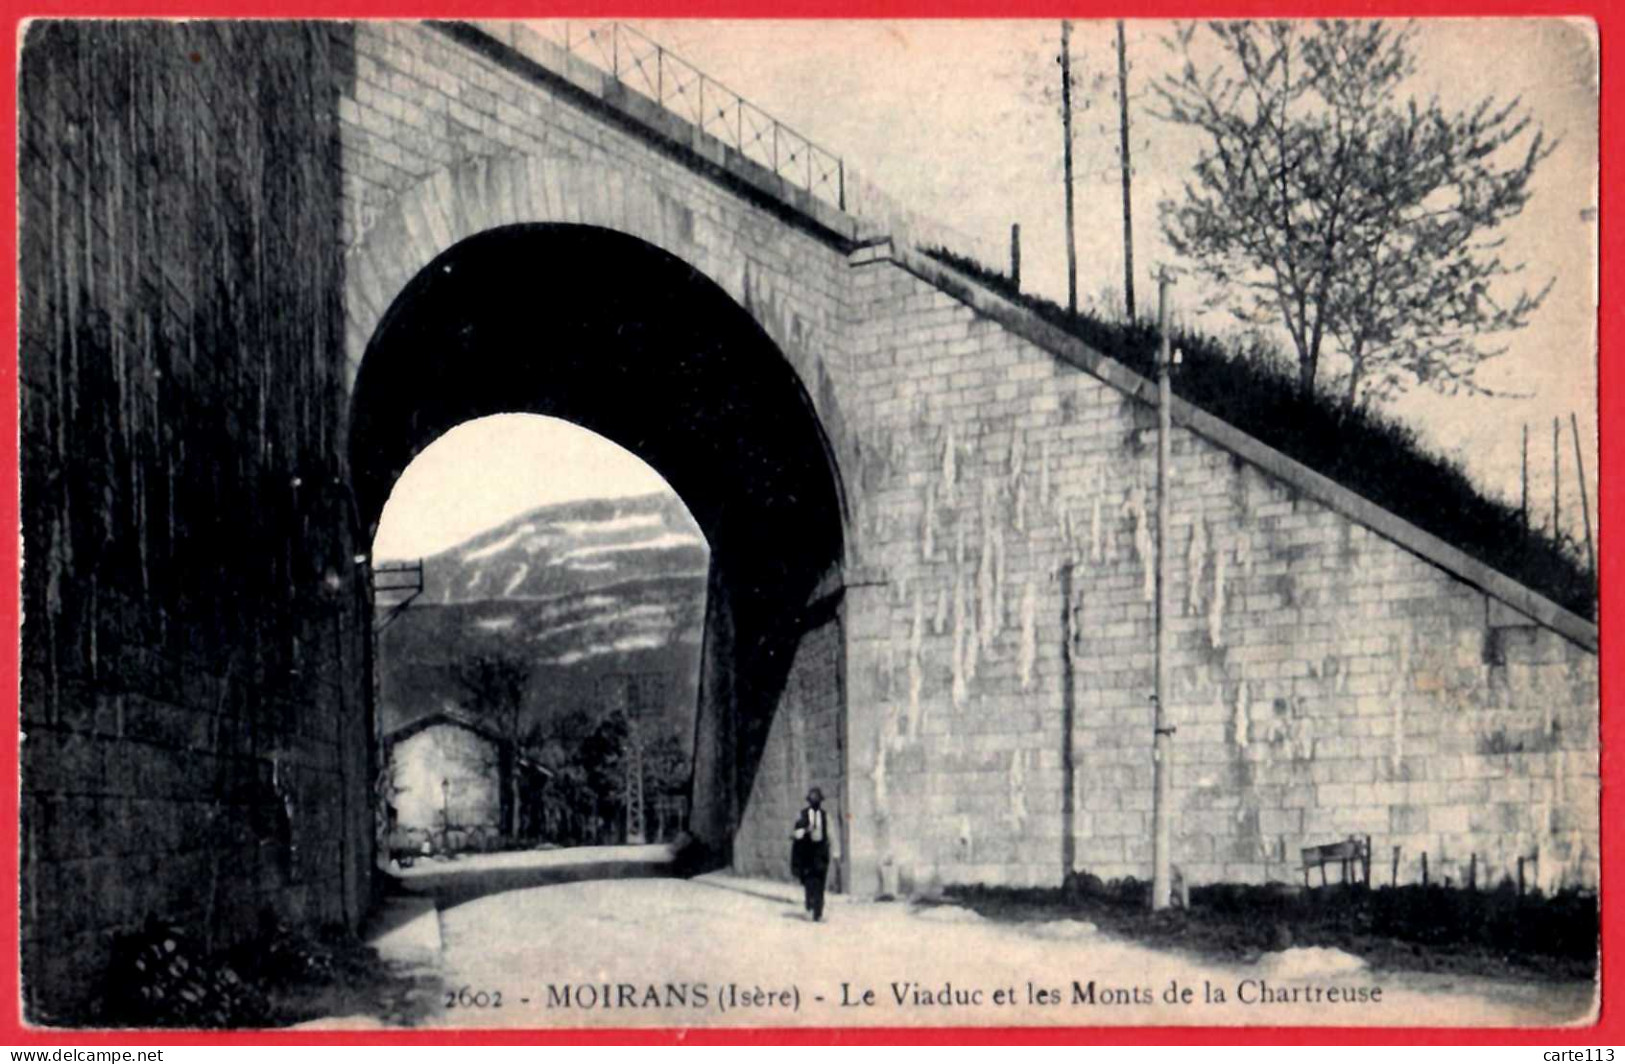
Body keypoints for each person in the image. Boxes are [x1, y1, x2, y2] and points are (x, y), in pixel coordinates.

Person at [790, 787, 833, 921]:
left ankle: (818, 912)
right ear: (809, 802)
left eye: (817, 801)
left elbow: (831, 834)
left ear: (821, 802)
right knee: (809, 882)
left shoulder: (826, 816)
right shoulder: (802, 815)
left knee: (820, 882)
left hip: (821, 853)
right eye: (813, 801)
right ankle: (809, 906)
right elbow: (794, 834)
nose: (815, 804)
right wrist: (804, 830)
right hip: (807, 853)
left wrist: (835, 852)